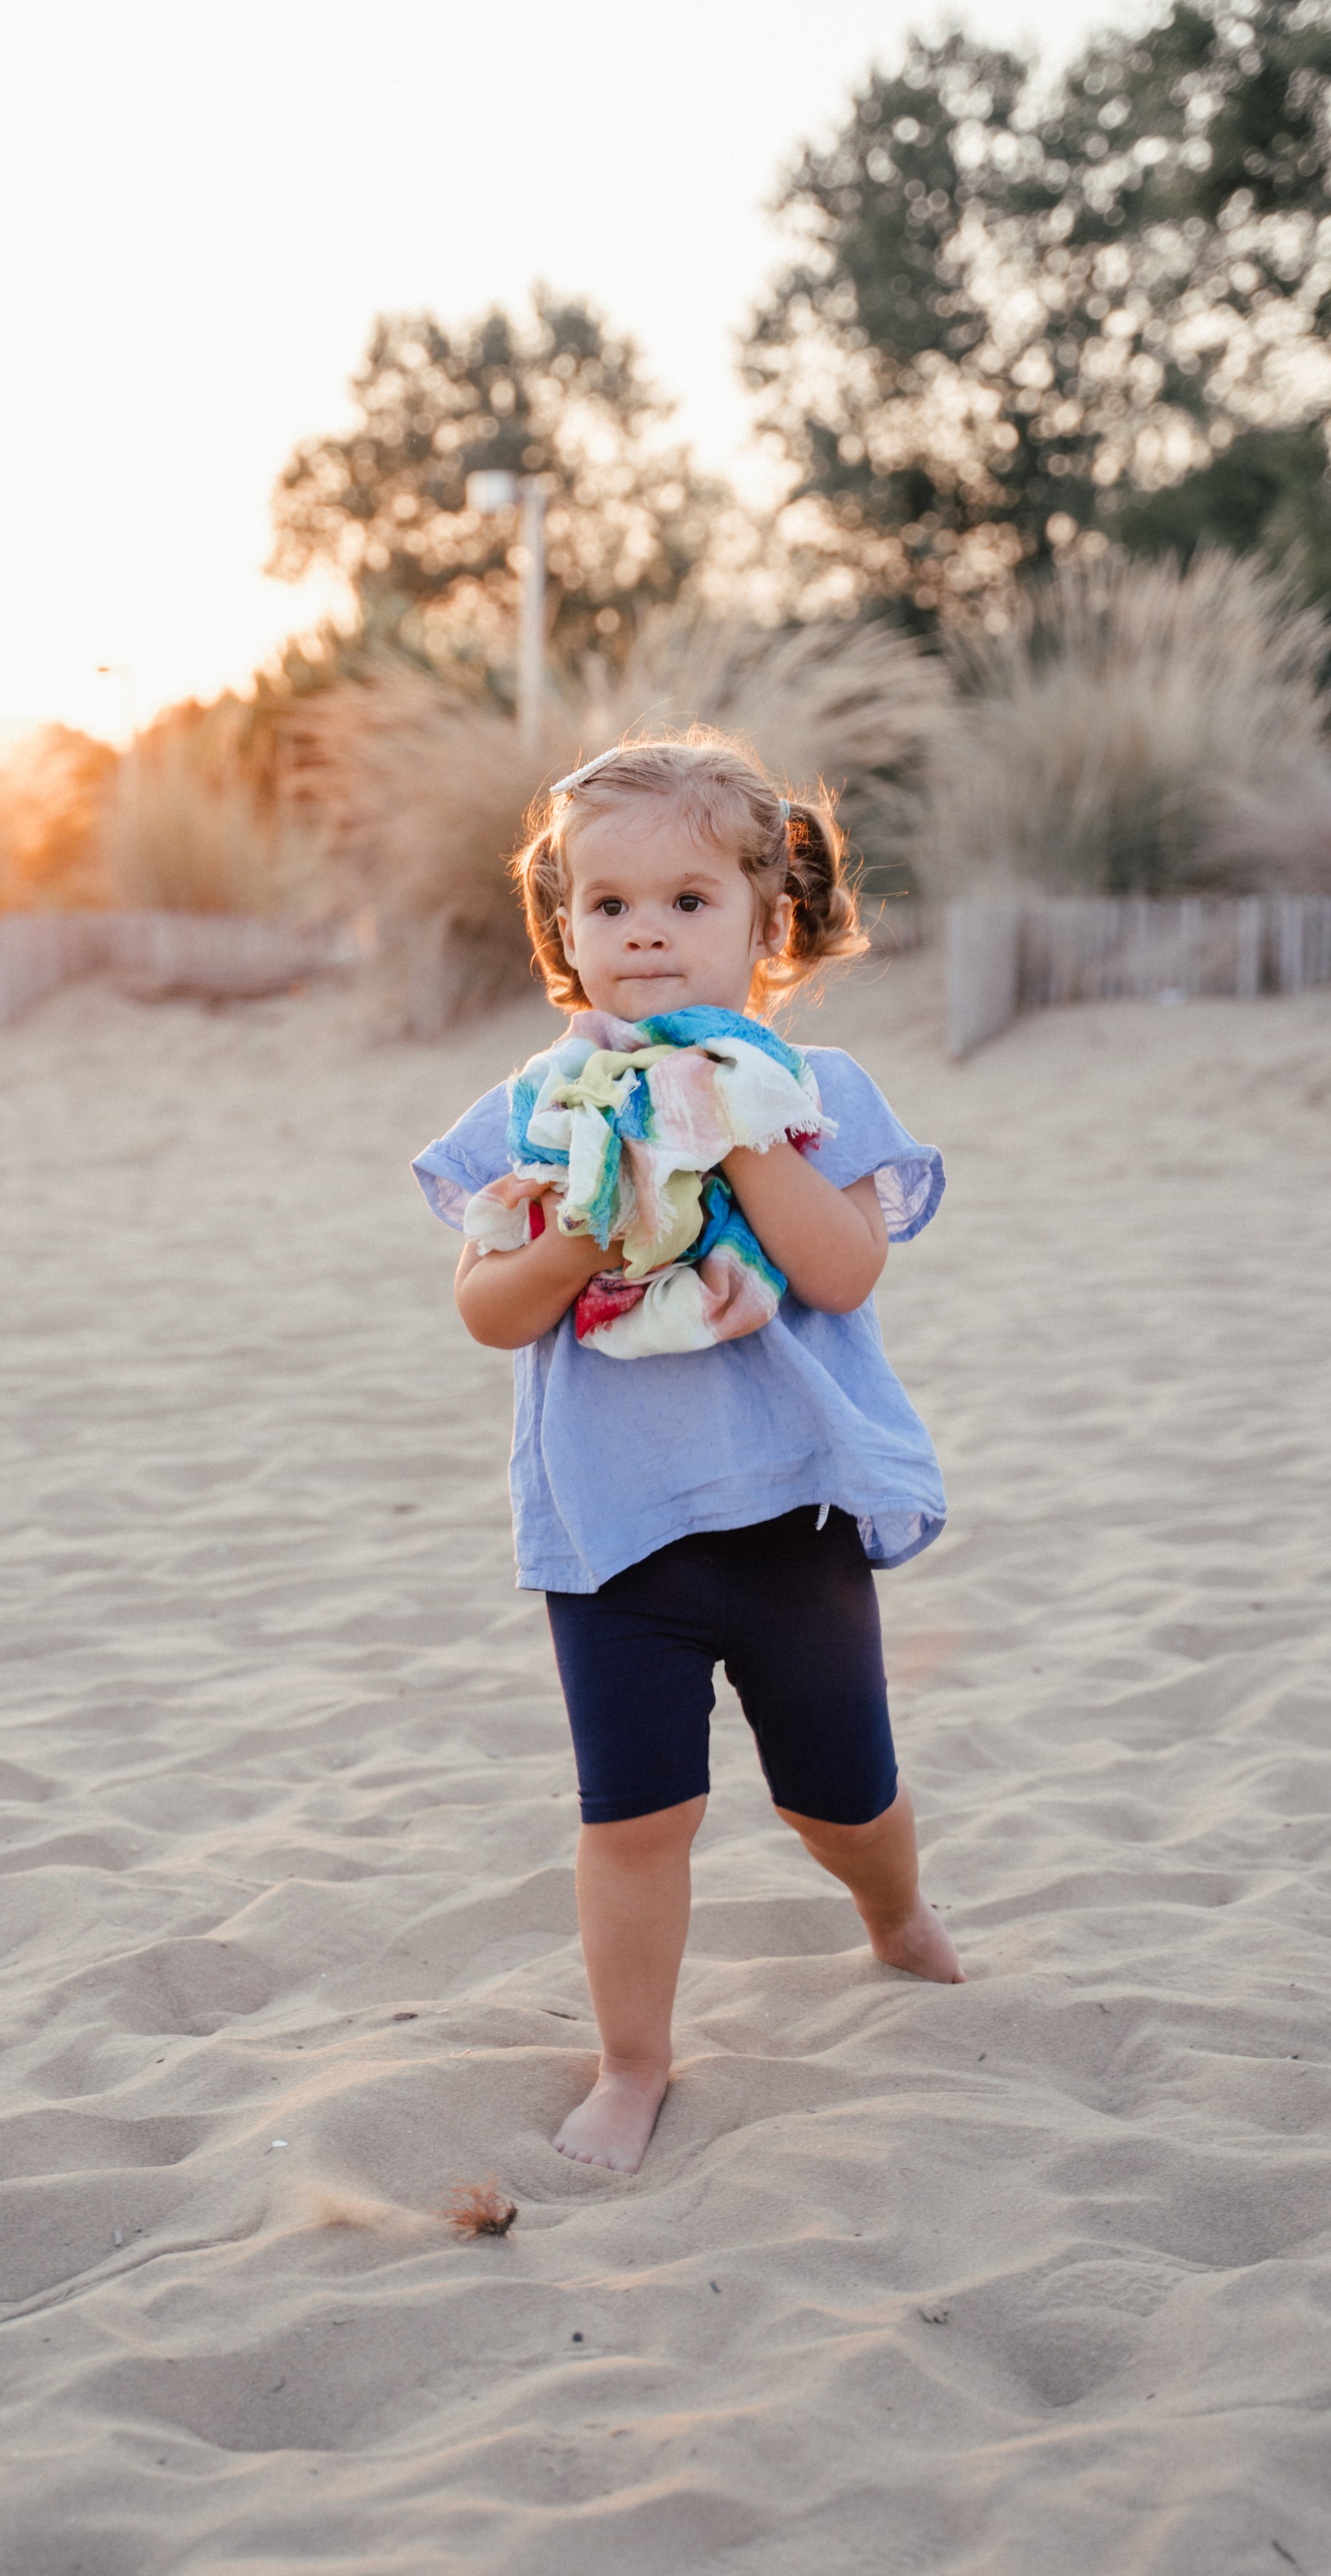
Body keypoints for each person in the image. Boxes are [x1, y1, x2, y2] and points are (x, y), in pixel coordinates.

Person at [412, 733, 959, 2178]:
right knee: (639, 1815)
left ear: (766, 922)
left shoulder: (817, 1083)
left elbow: (843, 1274)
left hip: (789, 1513)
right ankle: (634, 2063)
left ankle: (892, 1912)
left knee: (838, 1794)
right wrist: (585, 1222)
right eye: (607, 907)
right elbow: (486, 1309)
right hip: (614, 1527)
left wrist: (742, 1132)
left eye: (688, 900)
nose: (644, 930)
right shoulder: (536, 1107)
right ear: (566, 930)